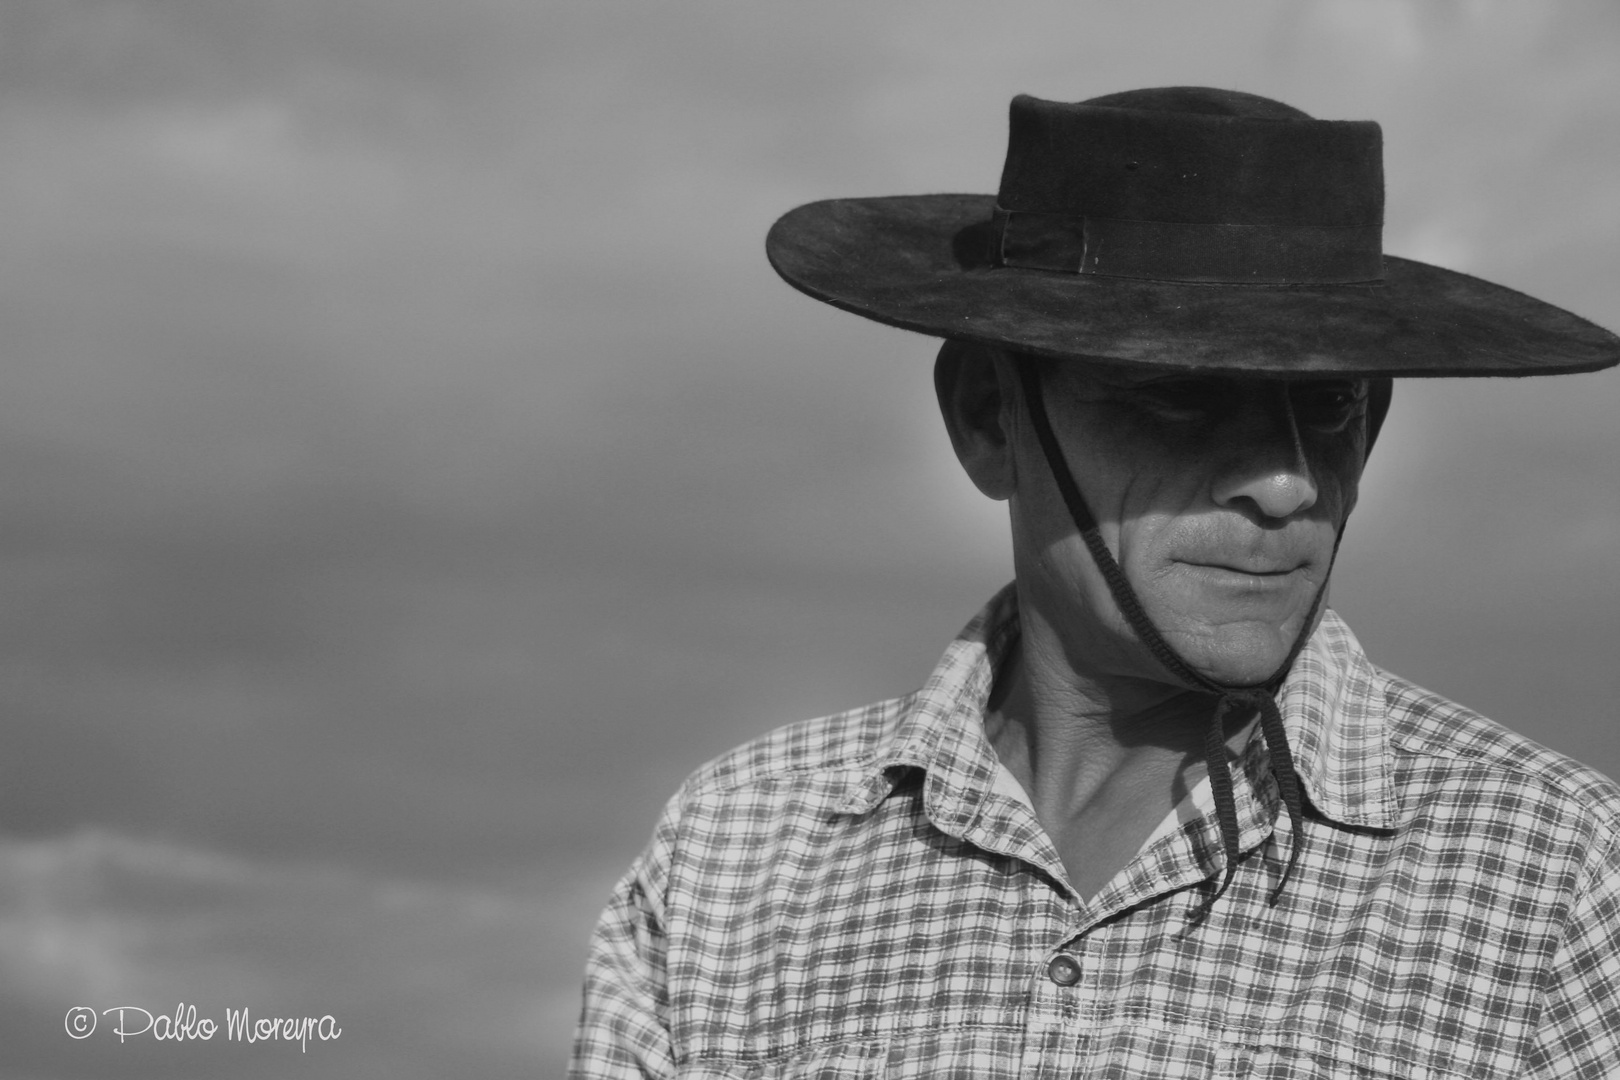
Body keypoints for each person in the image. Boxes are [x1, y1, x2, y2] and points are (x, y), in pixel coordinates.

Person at [570, 88, 1620, 1079]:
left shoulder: (1557, 877)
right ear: (989, 415)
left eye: (1333, 406)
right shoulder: (738, 854)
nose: (1287, 482)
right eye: (1183, 397)